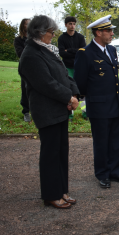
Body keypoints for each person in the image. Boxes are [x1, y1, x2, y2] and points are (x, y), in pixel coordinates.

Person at [18, 15, 79, 209]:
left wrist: (74, 93)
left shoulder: (48, 51)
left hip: (58, 109)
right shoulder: (30, 55)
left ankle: (61, 190)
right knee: (51, 154)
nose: (53, 35)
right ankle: (51, 195)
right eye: (51, 32)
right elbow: (46, 84)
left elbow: (63, 74)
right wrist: (68, 97)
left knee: (61, 152)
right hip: (46, 110)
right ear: (40, 32)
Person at [74, 15, 119, 188]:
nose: (112, 33)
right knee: (101, 141)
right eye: (109, 31)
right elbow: (80, 81)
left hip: (115, 104)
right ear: (98, 33)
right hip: (99, 106)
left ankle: (115, 171)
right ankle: (102, 174)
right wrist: (87, 100)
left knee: (116, 140)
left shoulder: (112, 50)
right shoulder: (85, 53)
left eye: (111, 30)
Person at [58, 16, 86, 121]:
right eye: (70, 23)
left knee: (82, 90)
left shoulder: (80, 37)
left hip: (79, 67)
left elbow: (83, 51)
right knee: (69, 90)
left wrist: (68, 50)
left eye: (74, 23)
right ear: (66, 25)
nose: (72, 26)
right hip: (67, 67)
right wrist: (75, 51)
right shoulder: (61, 38)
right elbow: (61, 53)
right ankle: (70, 113)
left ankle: (85, 112)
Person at [14, 18, 31, 122]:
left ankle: (37, 110)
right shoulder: (18, 40)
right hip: (25, 68)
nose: (29, 25)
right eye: (26, 24)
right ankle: (26, 112)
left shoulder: (34, 39)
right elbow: (21, 54)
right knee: (25, 89)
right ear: (22, 26)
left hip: (37, 67)